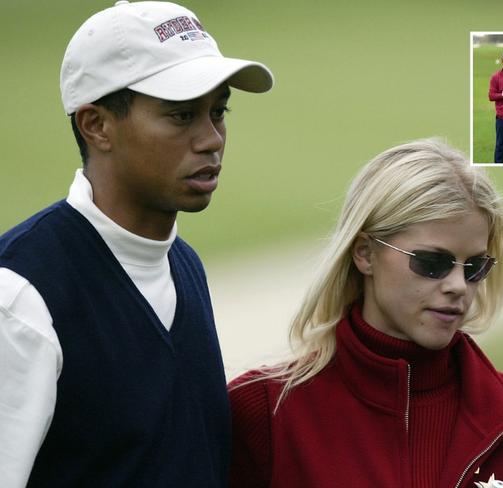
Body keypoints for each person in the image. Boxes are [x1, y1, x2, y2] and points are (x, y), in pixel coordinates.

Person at [0, 1, 273, 486]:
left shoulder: (182, 264)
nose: (211, 139)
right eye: (182, 115)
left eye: (218, 112)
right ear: (96, 125)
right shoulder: (21, 295)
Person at [229, 138, 503, 487]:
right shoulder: (261, 414)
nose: (457, 285)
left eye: (474, 267)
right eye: (432, 262)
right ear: (364, 253)